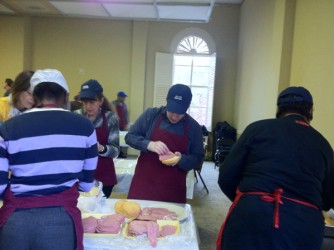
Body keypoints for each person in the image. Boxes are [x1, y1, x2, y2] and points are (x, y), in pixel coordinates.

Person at [216, 86, 334, 250]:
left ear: (279, 109)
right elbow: (328, 199)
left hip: (252, 215)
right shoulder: (324, 145)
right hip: (303, 226)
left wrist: (248, 199)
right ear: (310, 111)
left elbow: (226, 175)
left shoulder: (257, 129)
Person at [0, 69, 98, 250]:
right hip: (61, 220)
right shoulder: (85, 126)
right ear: (66, 96)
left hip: (16, 221)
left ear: (34, 96)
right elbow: (86, 184)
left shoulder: (8, 128)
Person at [125, 83, 204, 203]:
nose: (175, 116)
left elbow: (198, 158)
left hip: (172, 189)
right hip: (144, 185)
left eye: (180, 112)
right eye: (172, 110)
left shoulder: (194, 128)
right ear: (167, 101)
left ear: (187, 107)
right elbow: (130, 137)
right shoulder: (151, 115)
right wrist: (149, 144)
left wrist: (181, 159)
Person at [76, 79, 120, 198]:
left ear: (100, 101)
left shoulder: (110, 118)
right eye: (84, 103)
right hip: (80, 174)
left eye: (92, 102)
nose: (88, 107)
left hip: (104, 175)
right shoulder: (77, 117)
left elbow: (115, 150)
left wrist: (100, 148)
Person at [112, 91, 129, 158]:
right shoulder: (113, 104)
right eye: (123, 97)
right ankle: (116, 152)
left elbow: (126, 114)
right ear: (119, 97)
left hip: (122, 125)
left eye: (125, 97)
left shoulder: (124, 105)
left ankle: (121, 153)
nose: (124, 98)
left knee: (122, 139)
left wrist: (127, 123)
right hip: (115, 124)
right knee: (116, 139)